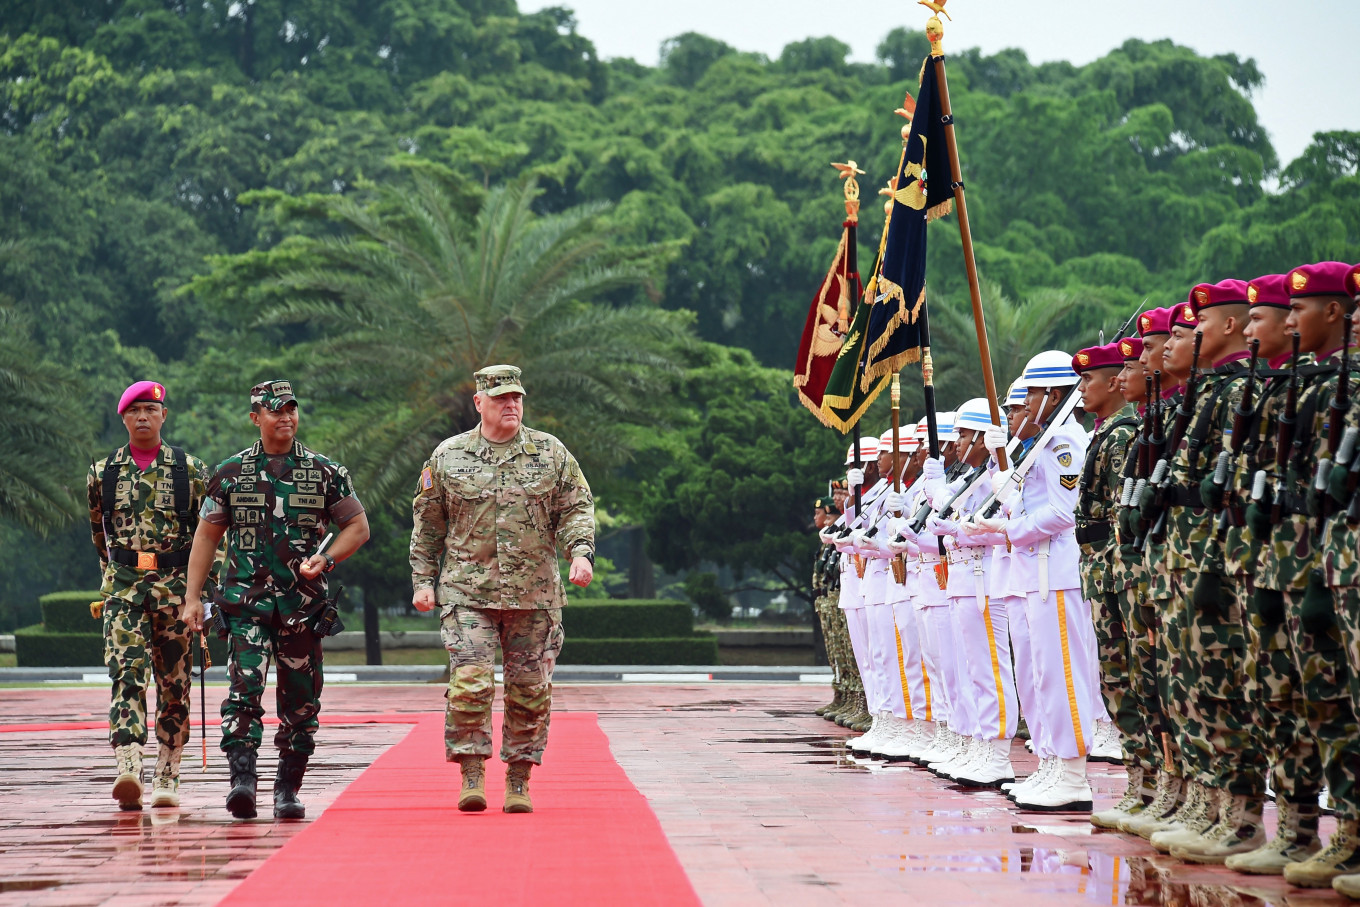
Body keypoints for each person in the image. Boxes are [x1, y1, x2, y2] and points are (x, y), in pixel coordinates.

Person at [410, 365, 595, 814]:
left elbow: (576, 508)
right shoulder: (448, 457)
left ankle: (519, 777)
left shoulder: (551, 454)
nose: (511, 405)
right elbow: (428, 524)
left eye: (516, 398)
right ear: (479, 403)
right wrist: (422, 580)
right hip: (467, 593)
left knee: (529, 689)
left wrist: (581, 552)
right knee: (470, 683)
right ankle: (472, 772)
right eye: (500, 399)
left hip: (534, 595)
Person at [183, 379, 371, 820]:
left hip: (302, 609)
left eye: (290, 408)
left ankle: (287, 789)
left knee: (301, 702)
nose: (285, 416)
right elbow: (207, 536)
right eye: (274, 410)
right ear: (256, 418)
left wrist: (324, 559)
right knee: (244, 691)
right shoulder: (230, 473)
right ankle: (242, 782)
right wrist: (193, 598)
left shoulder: (325, 472)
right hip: (245, 603)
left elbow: (357, 528)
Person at [87, 381, 212, 810]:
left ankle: (168, 774)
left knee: (174, 685)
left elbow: (210, 534)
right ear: (123, 417)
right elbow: (99, 535)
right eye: (134, 410)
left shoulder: (190, 470)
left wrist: (200, 594)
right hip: (123, 588)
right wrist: (112, 577)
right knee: (126, 674)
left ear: (163, 416)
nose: (143, 417)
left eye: (150, 409)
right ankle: (128, 767)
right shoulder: (102, 472)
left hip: (176, 590)